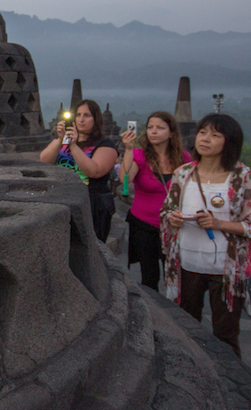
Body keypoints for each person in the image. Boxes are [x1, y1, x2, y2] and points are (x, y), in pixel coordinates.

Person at [160, 114, 251, 357]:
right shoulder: (183, 174)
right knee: (185, 326)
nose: (206, 139)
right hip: (187, 262)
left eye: (215, 135)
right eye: (202, 132)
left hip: (226, 268)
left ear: (228, 142)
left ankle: (232, 383)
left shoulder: (243, 178)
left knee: (225, 334)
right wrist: (173, 218)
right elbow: (167, 210)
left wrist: (219, 223)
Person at [119, 112, 191, 291]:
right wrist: (128, 149)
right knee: (149, 277)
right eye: (150, 127)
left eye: (160, 128)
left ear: (171, 133)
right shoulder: (138, 155)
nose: (154, 132)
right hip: (144, 224)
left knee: (175, 276)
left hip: (174, 225)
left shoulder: (184, 158)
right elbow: (125, 179)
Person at [40, 99, 119, 241]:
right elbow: (45, 161)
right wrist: (60, 139)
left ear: (96, 119)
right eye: (78, 115)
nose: (81, 119)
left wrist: (74, 146)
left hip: (91, 203)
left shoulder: (105, 144)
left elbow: (94, 171)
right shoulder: (64, 140)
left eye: (87, 115)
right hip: (62, 198)